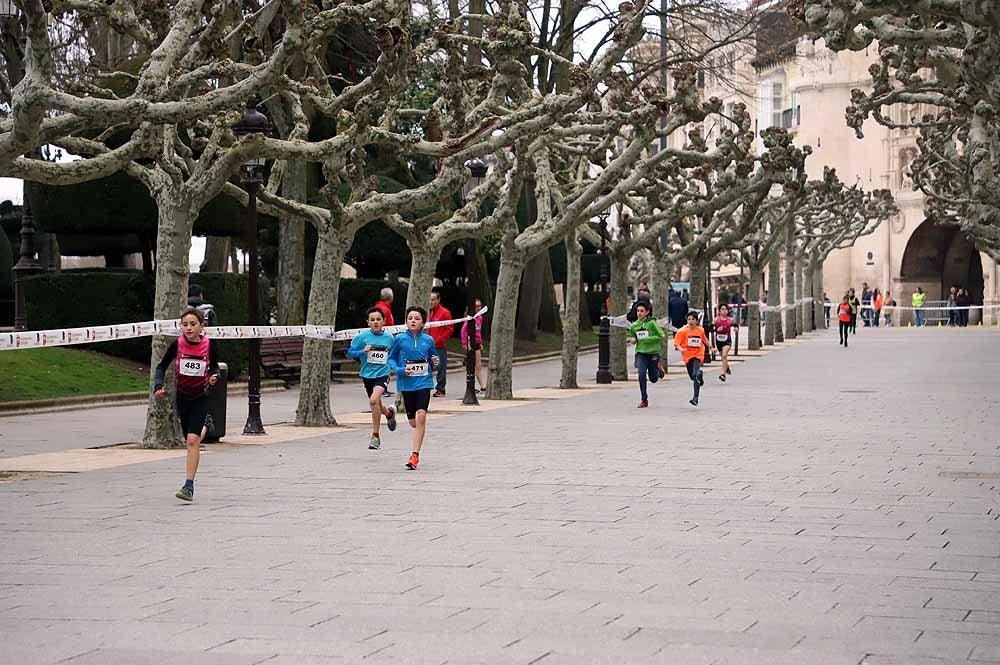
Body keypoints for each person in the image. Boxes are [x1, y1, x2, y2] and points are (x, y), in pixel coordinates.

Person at [154, 308, 221, 502]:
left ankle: (188, 486)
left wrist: (214, 375)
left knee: (192, 441)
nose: (189, 328)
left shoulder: (209, 346)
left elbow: (215, 366)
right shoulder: (177, 345)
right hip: (182, 397)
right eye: (185, 325)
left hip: (201, 396)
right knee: (190, 437)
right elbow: (161, 366)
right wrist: (158, 385)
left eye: (193, 324)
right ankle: (206, 427)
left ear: (202, 327)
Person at [388, 306, 440, 470]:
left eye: (417, 318)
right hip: (406, 384)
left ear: (423, 323)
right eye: (410, 318)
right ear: (406, 321)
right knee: (413, 422)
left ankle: (414, 456)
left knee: (421, 416)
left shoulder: (428, 340)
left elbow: (433, 358)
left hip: (424, 382)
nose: (413, 321)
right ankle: (394, 414)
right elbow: (391, 359)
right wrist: (400, 370)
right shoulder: (399, 339)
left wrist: (436, 362)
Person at [346, 307, 398, 450]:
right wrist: (362, 351)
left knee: (373, 400)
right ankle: (389, 413)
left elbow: (394, 354)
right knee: (376, 404)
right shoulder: (361, 337)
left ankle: (375, 436)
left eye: (378, 320)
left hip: (383, 374)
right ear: (368, 322)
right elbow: (349, 353)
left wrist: (396, 366)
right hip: (367, 375)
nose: (375, 322)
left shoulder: (389, 338)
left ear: (384, 321)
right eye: (372, 320)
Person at [627, 302, 666, 408]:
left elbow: (661, 335)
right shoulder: (634, 325)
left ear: (647, 312)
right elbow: (633, 336)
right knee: (641, 375)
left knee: (653, 379)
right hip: (641, 353)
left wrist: (647, 338)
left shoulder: (652, 323)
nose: (639, 313)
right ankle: (644, 399)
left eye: (642, 311)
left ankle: (658, 369)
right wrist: (633, 339)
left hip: (653, 353)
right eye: (638, 311)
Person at [674, 311, 710, 407]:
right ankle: (700, 375)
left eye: (693, 319)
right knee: (692, 376)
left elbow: (704, 339)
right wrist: (681, 349)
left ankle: (695, 398)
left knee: (695, 375)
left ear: (697, 321)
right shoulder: (683, 331)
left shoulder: (700, 330)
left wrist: (711, 347)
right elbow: (677, 344)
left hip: (698, 355)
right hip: (687, 356)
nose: (691, 321)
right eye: (689, 319)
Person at [428, 288, 454, 397]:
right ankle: (426, 388)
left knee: (441, 367)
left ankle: (441, 389)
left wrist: (440, 339)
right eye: (430, 300)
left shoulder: (444, 312)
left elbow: (449, 328)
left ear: (438, 300)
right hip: (426, 346)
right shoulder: (427, 312)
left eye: (433, 299)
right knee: (426, 367)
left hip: (439, 346)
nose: (431, 302)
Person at [460, 299, 487, 392]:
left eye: (479, 306)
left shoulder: (480, 318)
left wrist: (480, 342)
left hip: (476, 343)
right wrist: (464, 343)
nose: (478, 308)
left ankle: (478, 384)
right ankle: (481, 385)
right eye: (476, 306)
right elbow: (463, 331)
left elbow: (478, 332)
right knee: (474, 365)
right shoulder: (470, 318)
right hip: (470, 343)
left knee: (477, 365)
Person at [714, 303, 734, 381]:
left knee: (724, 355)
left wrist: (736, 328)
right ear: (719, 311)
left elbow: (735, 325)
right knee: (723, 357)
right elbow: (710, 328)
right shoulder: (716, 320)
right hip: (719, 341)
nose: (724, 311)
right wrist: (716, 330)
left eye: (726, 309)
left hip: (727, 340)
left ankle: (723, 374)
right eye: (722, 309)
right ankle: (727, 367)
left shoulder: (730, 320)